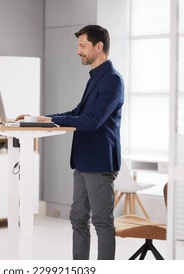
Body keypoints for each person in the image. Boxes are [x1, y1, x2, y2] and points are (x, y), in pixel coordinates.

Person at [17, 25, 124, 260]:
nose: (78, 51)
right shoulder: (95, 78)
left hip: (99, 161)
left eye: (82, 46)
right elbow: (79, 112)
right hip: (83, 160)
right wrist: (44, 119)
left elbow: (92, 120)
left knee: (102, 222)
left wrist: (52, 120)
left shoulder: (113, 80)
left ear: (99, 46)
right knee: (78, 218)